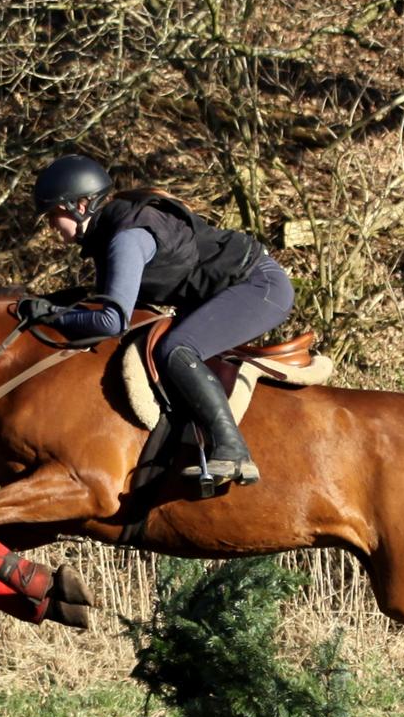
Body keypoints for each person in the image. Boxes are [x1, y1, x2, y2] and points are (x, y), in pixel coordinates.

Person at [27, 153, 295, 487]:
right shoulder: (109, 233)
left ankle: (232, 450)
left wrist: (54, 317)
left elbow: (112, 321)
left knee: (177, 348)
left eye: (54, 214)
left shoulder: (126, 238)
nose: (51, 226)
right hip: (224, 289)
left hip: (259, 285)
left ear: (81, 205)